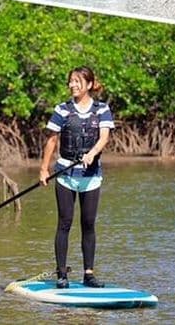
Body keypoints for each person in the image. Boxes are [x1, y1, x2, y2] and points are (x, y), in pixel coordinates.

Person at [39, 66, 115, 289]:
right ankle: (62, 274)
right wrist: (44, 169)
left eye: (77, 81)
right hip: (65, 174)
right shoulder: (62, 110)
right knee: (64, 223)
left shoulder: (102, 109)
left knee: (88, 224)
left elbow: (104, 137)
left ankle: (88, 274)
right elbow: (52, 141)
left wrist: (91, 154)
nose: (72, 85)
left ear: (89, 85)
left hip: (91, 177)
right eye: (70, 81)